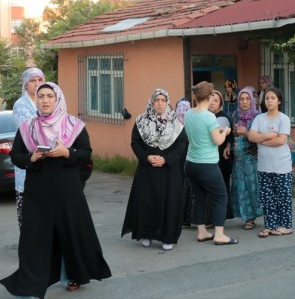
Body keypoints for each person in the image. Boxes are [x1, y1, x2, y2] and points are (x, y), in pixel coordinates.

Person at [1, 82, 111, 298]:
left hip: (67, 191)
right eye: (41, 96)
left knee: (69, 234)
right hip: (37, 193)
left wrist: (66, 152)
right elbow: (16, 156)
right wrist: (31, 157)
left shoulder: (74, 124)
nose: (45, 100)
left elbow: (86, 153)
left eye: (50, 96)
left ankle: (71, 275)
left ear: (57, 98)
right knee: (34, 238)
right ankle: (31, 285)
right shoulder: (28, 127)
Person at [122, 89, 188, 251]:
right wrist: (146, 158)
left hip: (169, 171)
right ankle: (146, 233)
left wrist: (166, 160)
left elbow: (181, 146)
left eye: (163, 100)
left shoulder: (177, 123)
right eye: (157, 100)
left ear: (167, 102)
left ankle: (168, 237)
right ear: (152, 102)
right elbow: (135, 143)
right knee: (146, 202)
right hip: (147, 169)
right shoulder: (141, 121)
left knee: (169, 203)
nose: (160, 103)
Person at [183, 81, 238, 245]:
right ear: (208, 96)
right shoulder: (208, 116)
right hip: (206, 164)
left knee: (198, 198)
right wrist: (226, 131)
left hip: (190, 163)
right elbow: (217, 141)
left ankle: (202, 232)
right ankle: (219, 235)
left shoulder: (188, 114)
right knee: (221, 197)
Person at [248, 87, 293, 238]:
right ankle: (271, 226)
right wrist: (268, 136)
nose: (269, 101)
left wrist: (262, 139)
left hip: (281, 166)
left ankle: (286, 226)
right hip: (264, 166)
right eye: (267, 98)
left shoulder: (283, 119)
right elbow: (252, 137)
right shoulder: (259, 118)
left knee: (283, 197)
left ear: (279, 101)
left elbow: (281, 140)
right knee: (267, 198)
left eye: (273, 98)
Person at [11, 67, 45, 227]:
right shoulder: (20, 105)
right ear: (26, 84)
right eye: (33, 80)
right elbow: (31, 132)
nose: (37, 84)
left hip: (46, 163)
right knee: (28, 215)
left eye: (40, 80)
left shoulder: (47, 100)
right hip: (27, 162)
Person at [229, 87, 264, 230]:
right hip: (237, 159)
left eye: (247, 98)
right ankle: (245, 215)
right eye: (242, 99)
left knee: (252, 187)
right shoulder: (234, 115)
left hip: (251, 158)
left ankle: (251, 217)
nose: (244, 102)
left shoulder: (258, 117)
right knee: (240, 187)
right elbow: (231, 135)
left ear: (252, 100)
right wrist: (228, 145)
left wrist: (246, 132)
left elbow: (260, 138)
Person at [210, 89, 235, 220]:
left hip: (220, 158)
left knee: (221, 186)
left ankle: (223, 214)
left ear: (220, 104)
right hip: (213, 158)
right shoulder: (208, 116)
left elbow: (214, 138)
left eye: (216, 101)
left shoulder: (222, 118)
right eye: (210, 100)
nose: (212, 103)